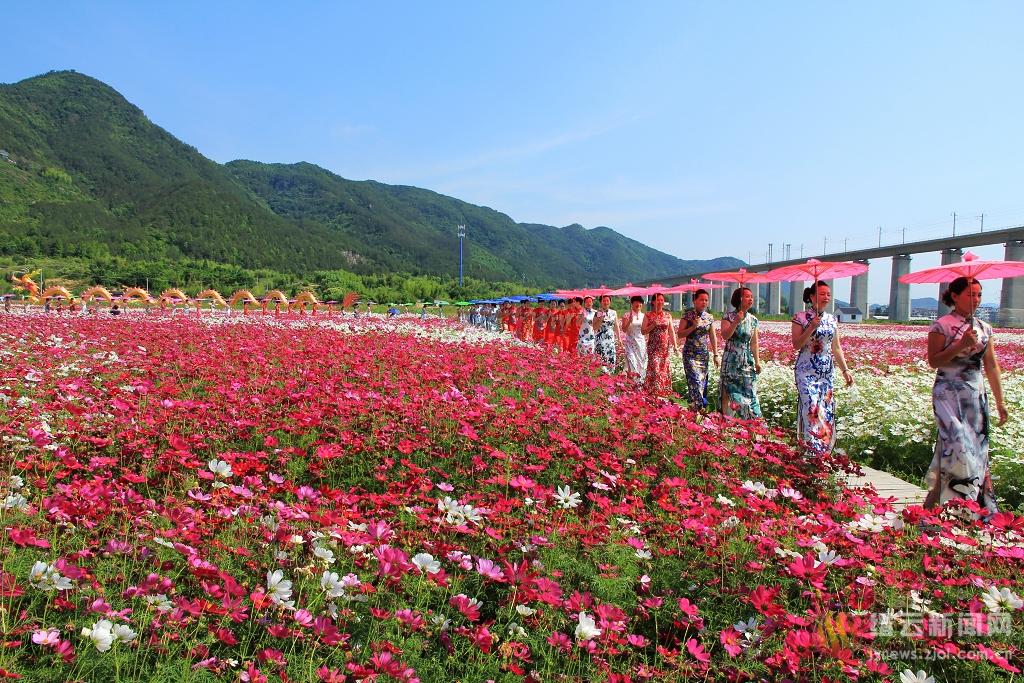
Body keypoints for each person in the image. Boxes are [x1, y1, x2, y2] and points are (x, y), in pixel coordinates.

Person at [923, 277, 1008, 515]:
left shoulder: (983, 328)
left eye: (979, 295)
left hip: (974, 396)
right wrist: (960, 345)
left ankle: (938, 506)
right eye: (971, 295)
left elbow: (991, 366)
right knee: (957, 445)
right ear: (954, 296)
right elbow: (934, 361)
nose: (976, 300)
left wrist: (1000, 401)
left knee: (975, 450)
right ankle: (956, 506)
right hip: (947, 394)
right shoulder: (942, 325)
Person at [790, 281, 853, 454]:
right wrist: (811, 327)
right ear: (811, 297)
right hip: (806, 371)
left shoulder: (831, 319)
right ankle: (809, 450)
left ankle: (823, 452)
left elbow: (836, 347)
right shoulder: (800, 318)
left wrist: (845, 370)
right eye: (823, 294)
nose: (826, 297)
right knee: (811, 408)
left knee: (825, 410)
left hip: (826, 372)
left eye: (828, 294)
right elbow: (796, 344)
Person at [719, 287, 761, 418]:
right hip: (731, 359)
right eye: (747, 296)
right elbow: (725, 335)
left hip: (746, 360)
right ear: (739, 299)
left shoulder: (753, 320)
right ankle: (724, 419)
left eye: (751, 297)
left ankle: (752, 419)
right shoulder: (729, 316)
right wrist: (736, 321)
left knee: (750, 389)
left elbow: (754, 343)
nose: (751, 299)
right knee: (727, 388)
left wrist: (757, 362)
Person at [677, 289, 719, 409]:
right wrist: (693, 326)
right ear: (695, 301)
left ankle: (696, 408)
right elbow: (680, 334)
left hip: (703, 355)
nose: (704, 302)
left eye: (706, 300)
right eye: (701, 299)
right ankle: (699, 406)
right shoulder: (688, 315)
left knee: (702, 382)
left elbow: (712, 336)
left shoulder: (709, 317)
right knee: (695, 380)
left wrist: (716, 354)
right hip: (690, 354)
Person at [641, 292, 678, 397]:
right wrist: (653, 325)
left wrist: (675, 345)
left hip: (664, 347)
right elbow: (643, 331)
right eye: (658, 300)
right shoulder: (648, 315)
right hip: (653, 347)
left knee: (663, 370)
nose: (660, 302)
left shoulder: (668, 315)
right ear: (653, 302)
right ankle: (654, 393)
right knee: (655, 369)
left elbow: (671, 331)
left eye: (662, 300)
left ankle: (661, 394)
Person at [620, 295, 647, 383]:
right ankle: (631, 384)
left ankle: (640, 383)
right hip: (630, 343)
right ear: (632, 304)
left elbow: (646, 331)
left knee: (641, 364)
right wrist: (629, 322)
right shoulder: (627, 315)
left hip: (641, 343)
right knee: (632, 362)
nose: (638, 304)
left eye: (640, 302)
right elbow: (624, 329)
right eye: (636, 302)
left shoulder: (644, 316)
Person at [593, 294, 620, 370]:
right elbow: (594, 327)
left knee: (611, 360)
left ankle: (610, 378)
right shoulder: (597, 313)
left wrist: (619, 338)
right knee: (601, 362)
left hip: (610, 341)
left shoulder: (613, 313)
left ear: (610, 302)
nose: (605, 302)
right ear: (601, 302)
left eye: (607, 300)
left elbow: (616, 326)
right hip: (600, 341)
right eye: (603, 300)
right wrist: (600, 319)